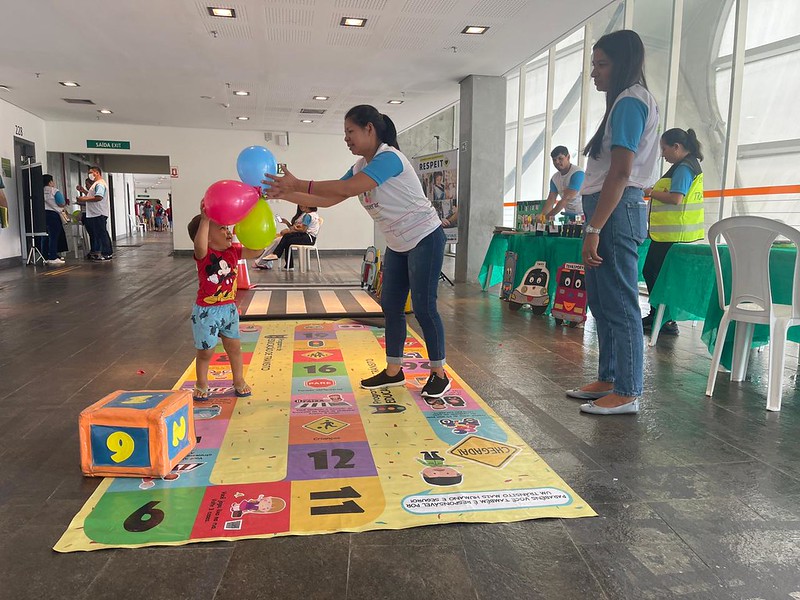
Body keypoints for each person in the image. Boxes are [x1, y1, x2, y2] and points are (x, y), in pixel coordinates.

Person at [264, 104, 451, 399]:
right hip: (398, 244)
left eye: (350, 131)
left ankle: (439, 373)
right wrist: (285, 193)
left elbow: (349, 188)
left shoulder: (389, 158)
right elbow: (328, 197)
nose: (346, 138)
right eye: (345, 133)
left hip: (425, 237)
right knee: (391, 307)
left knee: (425, 307)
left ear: (369, 129)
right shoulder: (360, 167)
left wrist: (296, 182)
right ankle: (394, 371)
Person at [566, 30, 660, 416]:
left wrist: (594, 228)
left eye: (601, 64)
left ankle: (628, 390)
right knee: (603, 301)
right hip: (609, 210)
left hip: (616, 212)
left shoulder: (630, 102)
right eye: (593, 64)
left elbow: (620, 174)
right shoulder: (623, 102)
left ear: (623, 64)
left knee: (621, 301)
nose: (594, 73)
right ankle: (608, 376)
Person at [187, 202, 266, 401]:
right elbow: (199, 245)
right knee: (206, 351)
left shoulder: (233, 251)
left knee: (235, 348)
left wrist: (255, 232)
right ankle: (202, 383)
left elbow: (256, 252)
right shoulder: (204, 255)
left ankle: (238, 380)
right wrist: (205, 219)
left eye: (228, 228)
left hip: (229, 309)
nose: (228, 233)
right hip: (207, 312)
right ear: (206, 236)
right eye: (222, 228)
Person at [642, 128, 705, 337]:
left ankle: (664, 318)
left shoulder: (685, 168)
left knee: (653, 273)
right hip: (671, 235)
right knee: (655, 273)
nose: (662, 154)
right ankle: (661, 316)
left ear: (676, 147)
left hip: (671, 236)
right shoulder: (685, 166)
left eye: (664, 148)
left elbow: (676, 198)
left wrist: (651, 193)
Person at [261, 205, 320, 270]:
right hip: (310, 238)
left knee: (286, 238)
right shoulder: (314, 215)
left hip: (307, 238)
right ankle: (288, 265)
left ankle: (277, 254)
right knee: (287, 239)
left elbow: (303, 230)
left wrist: (295, 228)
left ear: (307, 206)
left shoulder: (308, 216)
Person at [76, 166, 114, 260]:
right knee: (99, 233)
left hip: (98, 213)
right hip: (95, 213)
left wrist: (83, 198)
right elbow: (93, 195)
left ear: (96, 173)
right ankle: (103, 252)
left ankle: (107, 253)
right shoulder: (96, 184)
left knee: (102, 233)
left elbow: (98, 197)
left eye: (91, 172)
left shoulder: (100, 184)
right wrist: (84, 192)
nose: (89, 175)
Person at [540, 146, 585, 222]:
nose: (557, 162)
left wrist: (547, 217)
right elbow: (551, 200)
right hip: (568, 216)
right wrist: (542, 216)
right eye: (554, 160)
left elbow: (566, 199)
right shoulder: (555, 178)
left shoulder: (578, 173)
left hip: (584, 216)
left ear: (568, 157)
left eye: (560, 158)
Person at [42, 174, 68, 265]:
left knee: (44, 236)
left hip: (42, 215)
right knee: (53, 236)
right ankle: (53, 257)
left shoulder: (39, 191)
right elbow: (61, 203)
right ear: (50, 182)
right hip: (53, 215)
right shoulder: (54, 191)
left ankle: (44, 256)